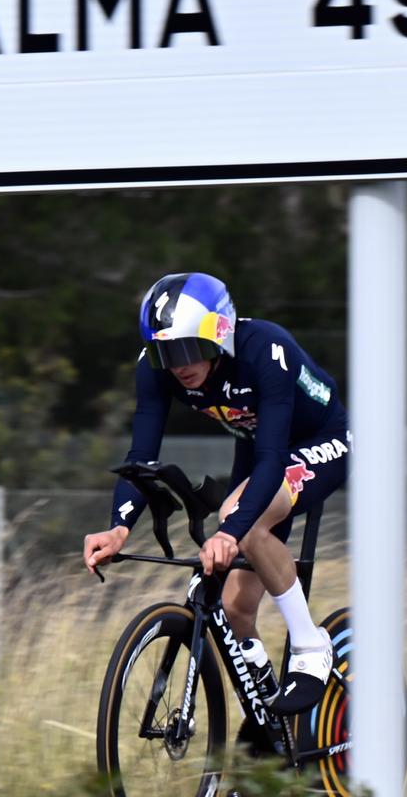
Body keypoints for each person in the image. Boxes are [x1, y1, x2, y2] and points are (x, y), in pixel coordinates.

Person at [82, 272, 350, 716]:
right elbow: (141, 455)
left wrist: (231, 529)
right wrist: (119, 528)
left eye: (188, 347)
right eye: (165, 351)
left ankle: (310, 645)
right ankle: (267, 734)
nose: (178, 364)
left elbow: (271, 457)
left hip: (320, 439)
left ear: (221, 333)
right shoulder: (157, 368)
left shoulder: (265, 348)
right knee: (234, 608)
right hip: (258, 445)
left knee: (238, 515)